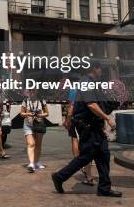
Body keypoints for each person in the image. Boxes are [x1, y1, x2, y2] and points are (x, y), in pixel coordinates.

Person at [52, 62, 121, 197]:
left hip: (95, 127)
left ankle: (104, 188)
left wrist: (112, 104)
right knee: (85, 157)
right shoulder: (85, 82)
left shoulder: (94, 83)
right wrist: (107, 118)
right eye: (101, 68)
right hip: (88, 127)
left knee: (103, 155)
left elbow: (100, 104)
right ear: (94, 68)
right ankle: (59, 177)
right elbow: (91, 105)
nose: (102, 71)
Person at [64, 86, 94, 185]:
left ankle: (79, 164)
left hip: (77, 121)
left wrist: (67, 121)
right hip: (90, 121)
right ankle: (87, 172)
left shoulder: (74, 89)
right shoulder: (91, 88)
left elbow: (71, 107)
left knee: (75, 139)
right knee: (87, 144)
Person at [21, 90, 48, 172]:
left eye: (33, 90)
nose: (32, 92)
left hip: (39, 124)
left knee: (38, 144)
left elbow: (47, 113)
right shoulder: (25, 101)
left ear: (36, 91)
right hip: (28, 124)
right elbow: (21, 113)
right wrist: (28, 114)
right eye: (30, 90)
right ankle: (32, 163)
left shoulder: (41, 101)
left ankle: (36, 162)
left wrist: (40, 115)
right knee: (31, 143)